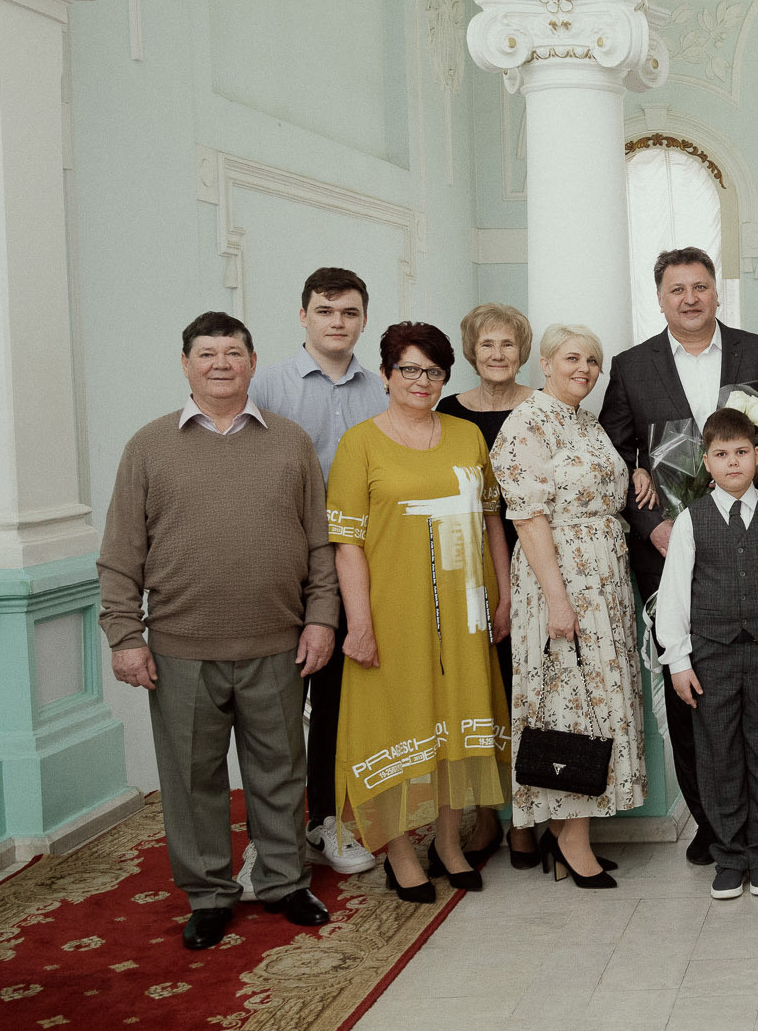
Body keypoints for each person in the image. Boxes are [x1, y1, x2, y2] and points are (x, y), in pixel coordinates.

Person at [99, 312, 337, 949]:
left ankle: (285, 882)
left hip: (278, 647)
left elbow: (320, 545)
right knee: (192, 778)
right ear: (185, 365)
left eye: (233, 352)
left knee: (280, 772)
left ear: (254, 363)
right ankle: (208, 894)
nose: (221, 364)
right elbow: (120, 553)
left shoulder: (289, 443)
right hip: (180, 651)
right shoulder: (148, 447)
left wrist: (321, 619)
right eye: (207, 354)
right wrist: (125, 636)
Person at [599, 246, 758, 867]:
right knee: (691, 691)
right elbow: (615, 459)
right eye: (676, 289)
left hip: (753, 551)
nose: (689, 298)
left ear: (716, 291)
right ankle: (712, 820)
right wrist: (651, 523)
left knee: (756, 693)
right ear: (659, 297)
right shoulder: (631, 368)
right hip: (670, 553)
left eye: (700, 286)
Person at [327, 322, 512, 903]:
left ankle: (450, 843)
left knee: (457, 723)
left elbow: (490, 522)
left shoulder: (466, 437)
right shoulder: (359, 444)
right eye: (409, 369)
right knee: (398, 726)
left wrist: (503, 595)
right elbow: (348, 542)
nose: (421, 381)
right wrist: (358, 624)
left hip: (465, 613)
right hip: (392, 613)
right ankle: (402, 852)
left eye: (433, 371)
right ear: (384, 375)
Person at [489, 325, 647, 890]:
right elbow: (527, 518)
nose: (585, 368)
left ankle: (574, 834)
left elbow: (605, 490)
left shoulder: (585, 423)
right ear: (547, 364)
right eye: (573, 358)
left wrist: (639, 474)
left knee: (597, 704)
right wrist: (558, 600)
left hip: (602, 584)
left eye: (594, 361)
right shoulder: (526, 423)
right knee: (567, 706)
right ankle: (570, 840)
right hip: (560, 587)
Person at [249, 266, 389, 876]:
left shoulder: (381, 388)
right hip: (288, 563)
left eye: (350, 312)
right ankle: (269, 839)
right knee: (276, 708)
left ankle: (325, 822)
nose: (338, 322)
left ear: (363, 319)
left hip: (360, 564)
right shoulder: (269, 385)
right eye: (326, 311)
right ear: (303, 315)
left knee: (336, 703)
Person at [654, 408, 758, 901]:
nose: (732, 463)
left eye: (742, 453)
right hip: (711, 658)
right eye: (722, 455)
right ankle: (728, 855)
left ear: (757, 457)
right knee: (718, 753)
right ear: (706, 462)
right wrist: (678, 661)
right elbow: (674, 596)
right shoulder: (690, 521)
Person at [437, 301, 537, 867]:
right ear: (471, 353)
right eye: (486, 345)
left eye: (507, 345)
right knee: (479, 693)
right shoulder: (448, 413)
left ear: (522, 352)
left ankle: (526, 817)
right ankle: (483, 818)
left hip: (539, 561)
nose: (497, 355)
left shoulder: (544, 407)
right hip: (465, 566)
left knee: (527, 694)